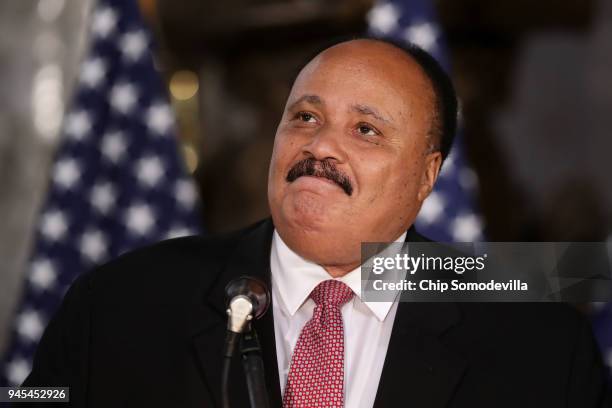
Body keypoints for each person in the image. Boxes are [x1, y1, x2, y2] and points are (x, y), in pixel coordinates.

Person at [23, 38, 610, 407]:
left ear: (428, 175)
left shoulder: (538, 334)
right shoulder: (120, 303)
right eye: (304, 116)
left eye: (366, 130)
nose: (320, 145)